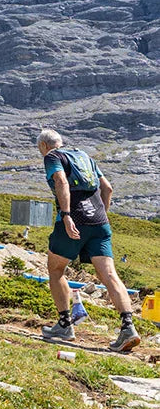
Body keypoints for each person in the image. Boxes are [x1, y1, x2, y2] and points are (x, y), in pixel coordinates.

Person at [37, 129, 140, 352]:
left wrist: (66, 215)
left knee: (56, 269)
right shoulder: (84, 155)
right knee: (110, 274)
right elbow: (107, 188)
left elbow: (61, 182)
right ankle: (128, 328)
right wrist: (101, 215)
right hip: (100, 222)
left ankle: (65, 325)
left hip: (74, 219)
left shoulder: (53, 157)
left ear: (44, 146)